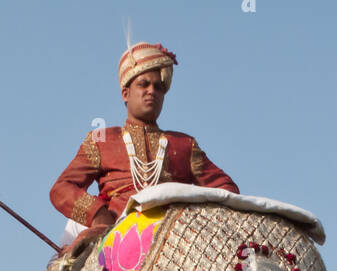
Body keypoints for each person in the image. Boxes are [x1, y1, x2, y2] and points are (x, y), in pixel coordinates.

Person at [49, 42, 238, 247]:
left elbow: (226, 190)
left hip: (175, 238)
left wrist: (196, 216)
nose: (151, 91)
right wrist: (98, 214)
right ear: (125, 93)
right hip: (117, 233)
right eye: (143, 84)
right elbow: (61, 189)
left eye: (159, 87)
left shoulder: (184, 145)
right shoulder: (102, 139)